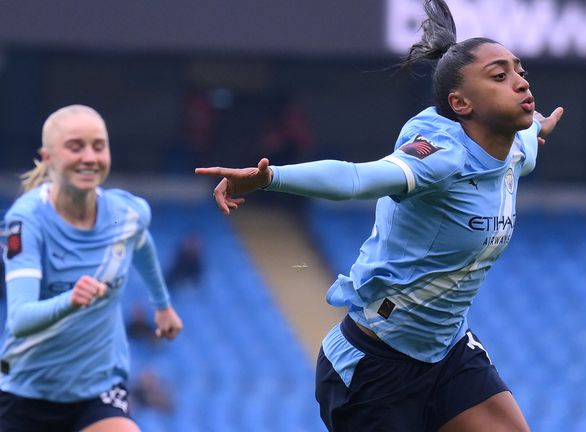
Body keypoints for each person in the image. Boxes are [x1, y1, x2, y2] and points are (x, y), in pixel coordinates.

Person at [197, 0, 563, 430]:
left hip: (447, 354)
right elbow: (355, 179)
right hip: (374, 370)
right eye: (500, 76)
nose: (520, 82)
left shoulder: (519, 149)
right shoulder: (440, 158)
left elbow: (531, 134)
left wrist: (537, 126)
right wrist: (269, 177)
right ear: (461, 103)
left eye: (519, 70)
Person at [0, 105, 184, 432]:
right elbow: (20, 318)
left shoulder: (126, 212)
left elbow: (140, 243)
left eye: (98, 146)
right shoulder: (26, 221)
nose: (89, 156)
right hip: (26, 392)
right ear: (47, 157)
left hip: (98, 390)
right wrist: (71, 300)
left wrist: (162, 305)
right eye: (75, 146)